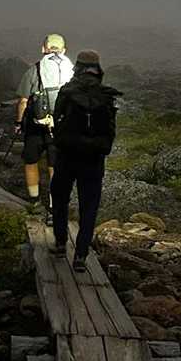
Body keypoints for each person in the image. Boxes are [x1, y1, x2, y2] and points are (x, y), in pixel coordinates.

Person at [50, 50, 119, 272]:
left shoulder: (68, 91)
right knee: (89, 206)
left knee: (59, 197)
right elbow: (110, 129)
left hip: (67, 155)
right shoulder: (106, 95)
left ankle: (60, 243)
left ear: (77, 67)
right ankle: (81, 255)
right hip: (94, 158)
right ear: (98, 68)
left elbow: (57, 119)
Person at [15, 33, 74, 214]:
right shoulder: (71, 70)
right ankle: (54, 207)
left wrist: (18, 123)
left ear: (43, 49)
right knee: (54, 167)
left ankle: (34, 202)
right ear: (64, 50)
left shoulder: (35, 70)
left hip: (36, 126)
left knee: (31, 161)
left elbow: (23, 101)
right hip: (61, 127)